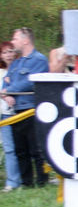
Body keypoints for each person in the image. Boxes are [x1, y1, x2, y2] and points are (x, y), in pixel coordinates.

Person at [2, 28, 49, 187]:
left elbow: (31, 81)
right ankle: (26, 182)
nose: (13, 42)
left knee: (36, 149)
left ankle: (42, 181)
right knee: (20, 149)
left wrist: (10, 90)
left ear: (25, 40)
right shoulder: (15, 63)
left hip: (32, 110)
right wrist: (7, 93)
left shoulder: (39, 60)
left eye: (15, 39)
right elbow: (6, 82)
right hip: (16, 112)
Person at [0, 41, 22, 191]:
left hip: (16, 113)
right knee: (9, 148)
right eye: (5, 52)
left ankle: (17, 180)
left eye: (10, 51)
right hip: (3, 112)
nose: (8, 55)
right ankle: (11, 180)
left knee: (15, 148)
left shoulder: (18, 70)